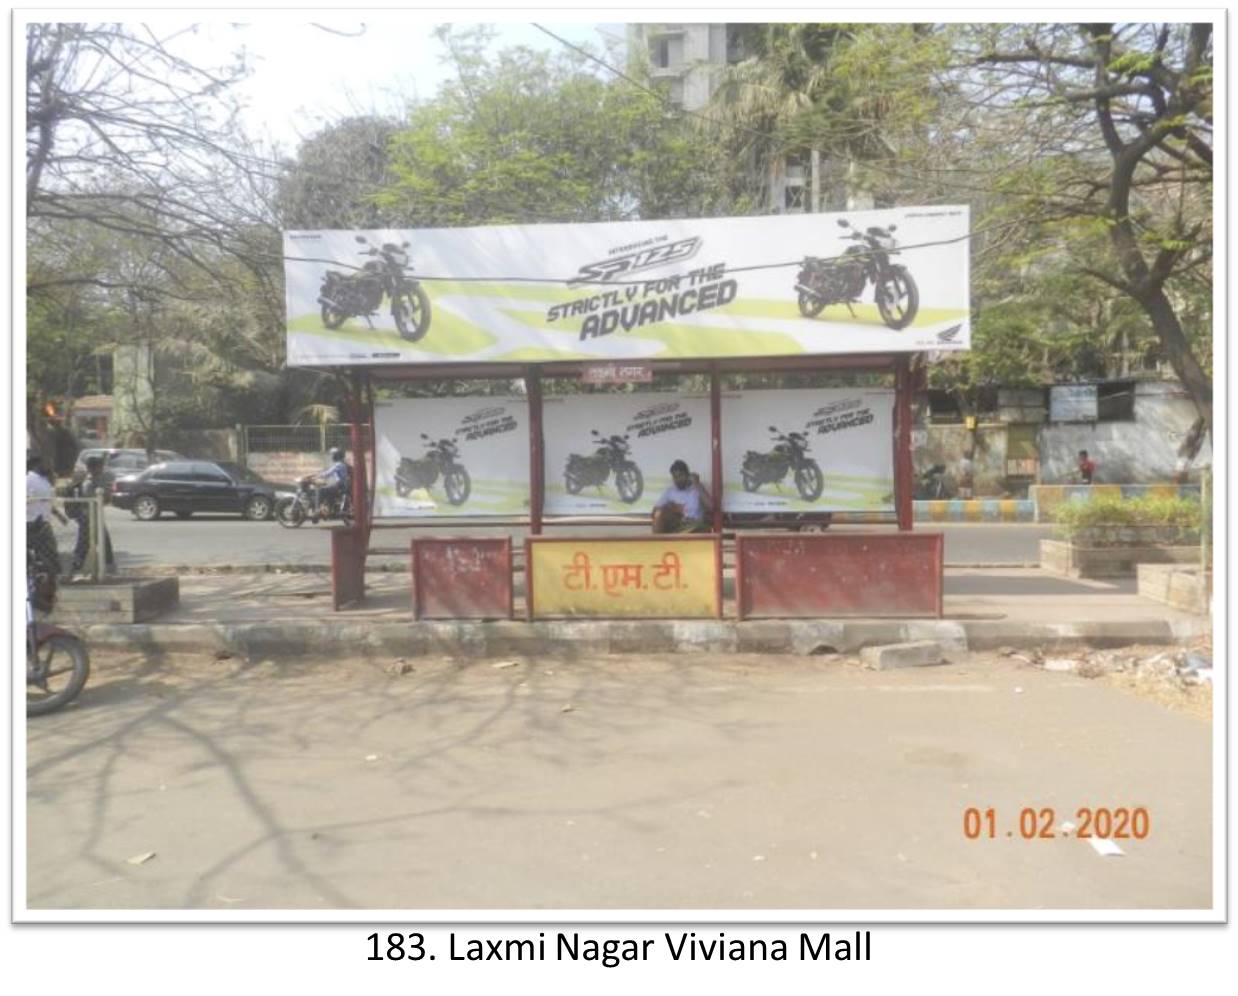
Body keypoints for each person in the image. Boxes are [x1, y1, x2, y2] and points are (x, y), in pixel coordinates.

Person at [69, 454, 116, 575]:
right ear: (92, 468)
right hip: (88, 519)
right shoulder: (88, 484)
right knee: (84, 546)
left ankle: (109, 569)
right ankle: (74, 569)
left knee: (103, 544)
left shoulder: (98, 479)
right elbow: (99, 500)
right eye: (99, 467)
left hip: (96, 518)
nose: (101, 470)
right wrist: (106, 494)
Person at [26, 455, 68, 578]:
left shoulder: (43, 480)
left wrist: (59, 516)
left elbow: (46, 502)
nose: (45, 466)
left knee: (46, 554)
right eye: (42, 463)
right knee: (48, 553)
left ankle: (48, 579)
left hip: (41, 521)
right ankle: (51, 577)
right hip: (32, 521)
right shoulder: (28, 480)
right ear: (35, 465)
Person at [651, 459, 712, 533]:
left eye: (680, 475)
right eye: (675, 477)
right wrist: (672, 507)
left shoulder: (697, 488)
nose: (678, 480)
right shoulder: (670, 491)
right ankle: (658, 543)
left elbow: (711, 507)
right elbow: (655, 512)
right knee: (660, 514)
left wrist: (697, 484)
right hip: (677, 526)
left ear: (687, 475)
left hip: (694, 524)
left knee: (701, 526)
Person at [312, 447, 350, 515]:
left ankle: (317, 510)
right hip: (340, 485)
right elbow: (329, 471)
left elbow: (329, 473)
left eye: (334, 455)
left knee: (321, 490)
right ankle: (328, 508)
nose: (332, 456)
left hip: (340, 486)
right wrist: (319, 473)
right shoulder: (341, 464)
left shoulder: (339, 465)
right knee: (328, 490)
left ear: (337, 456)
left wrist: (318, 476)